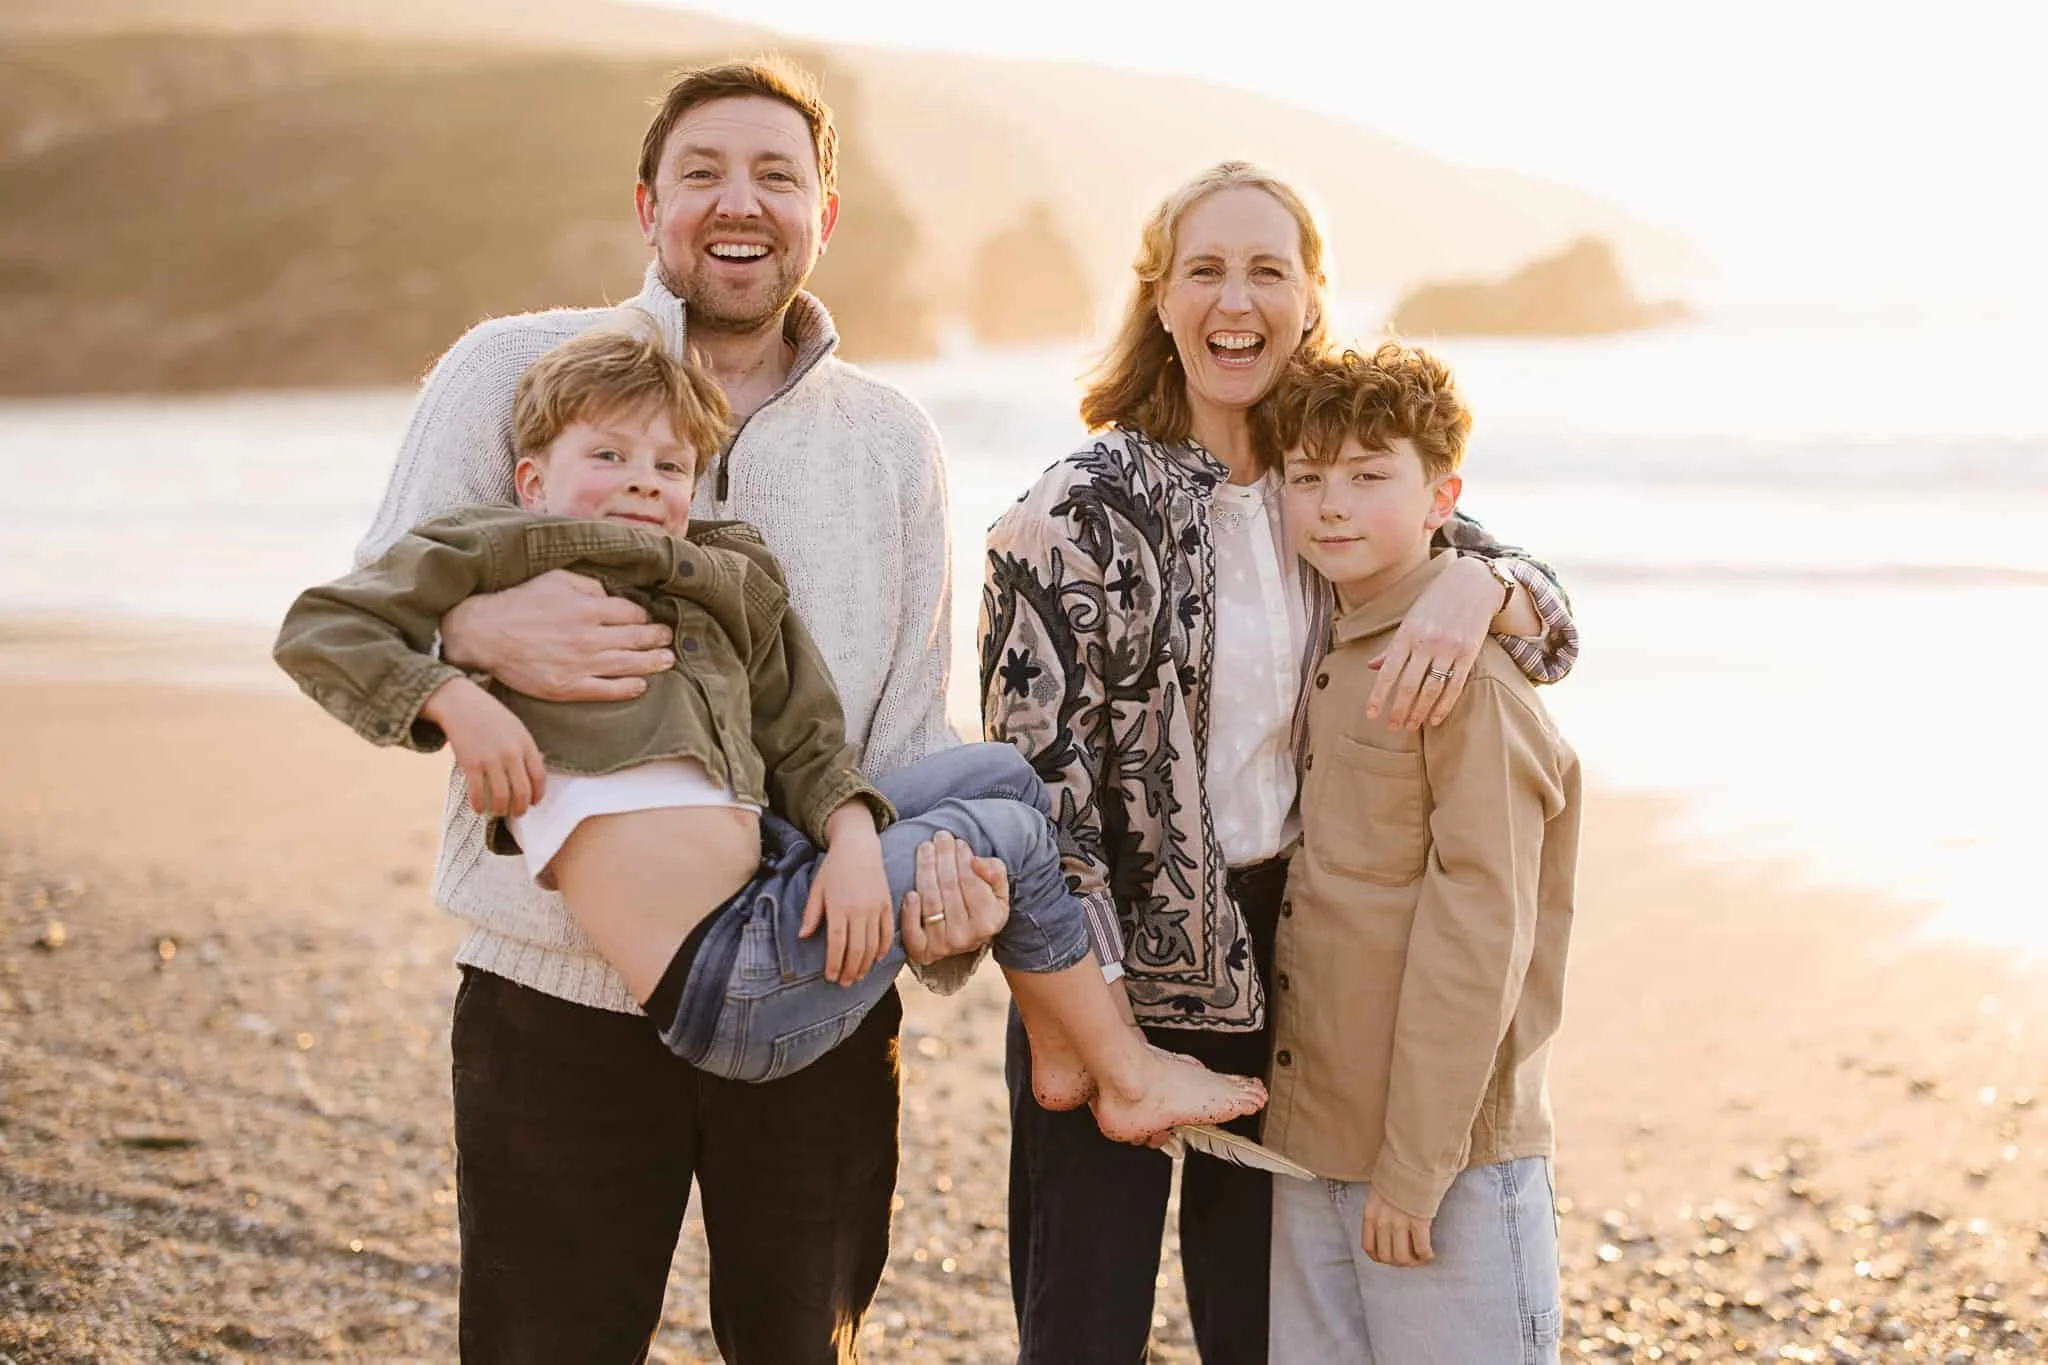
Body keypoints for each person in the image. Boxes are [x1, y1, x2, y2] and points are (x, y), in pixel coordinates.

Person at [348, 55, 982, 1363]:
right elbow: (373, 613)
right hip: (555, 998)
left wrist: (941, 916)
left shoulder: (891, 440)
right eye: (702, 173)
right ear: (649, 207)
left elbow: (911, 732)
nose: (738, 203)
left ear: (823, 214)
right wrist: (473, 631)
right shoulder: (511, 370)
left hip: (820, 991)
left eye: (774, 175)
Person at [276, 323, 1267, 1140]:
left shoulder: (725, 574)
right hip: (727, 981)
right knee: (1005, 833)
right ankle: (1126, 1074)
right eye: (607, 455)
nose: (640, 481)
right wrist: (457, 696)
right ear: (532, 481)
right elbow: (322, 629)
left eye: (669, 463)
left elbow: (803, 737)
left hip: (782, 878)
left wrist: (850, 838)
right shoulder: (497, 549)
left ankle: (1059, 1041)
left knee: (1005, 776)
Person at [979, 161, 1581, 1363]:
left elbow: (1549, 631)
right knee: (1081, 1327)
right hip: (1106, 961)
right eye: (1202, 270)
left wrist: (1486, 582)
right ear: (1159, 299)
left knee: (1257, 1332)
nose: (1233, 299)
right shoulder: (1074, 509)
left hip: (1286, 966)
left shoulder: (1328, 485)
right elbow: (1033, 801)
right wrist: (1083, 1025)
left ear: (1310, 298)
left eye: (1267, 270)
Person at [1261, 342, 1578, 1363]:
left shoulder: (1464, 676)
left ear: (1443, 497)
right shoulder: (1325, 641)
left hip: (1442, 1167)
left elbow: (1481, 934)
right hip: (1312, 1145)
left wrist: (1413, 1166)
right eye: (1306, 477)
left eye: (1367, 476)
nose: (1331, 505)